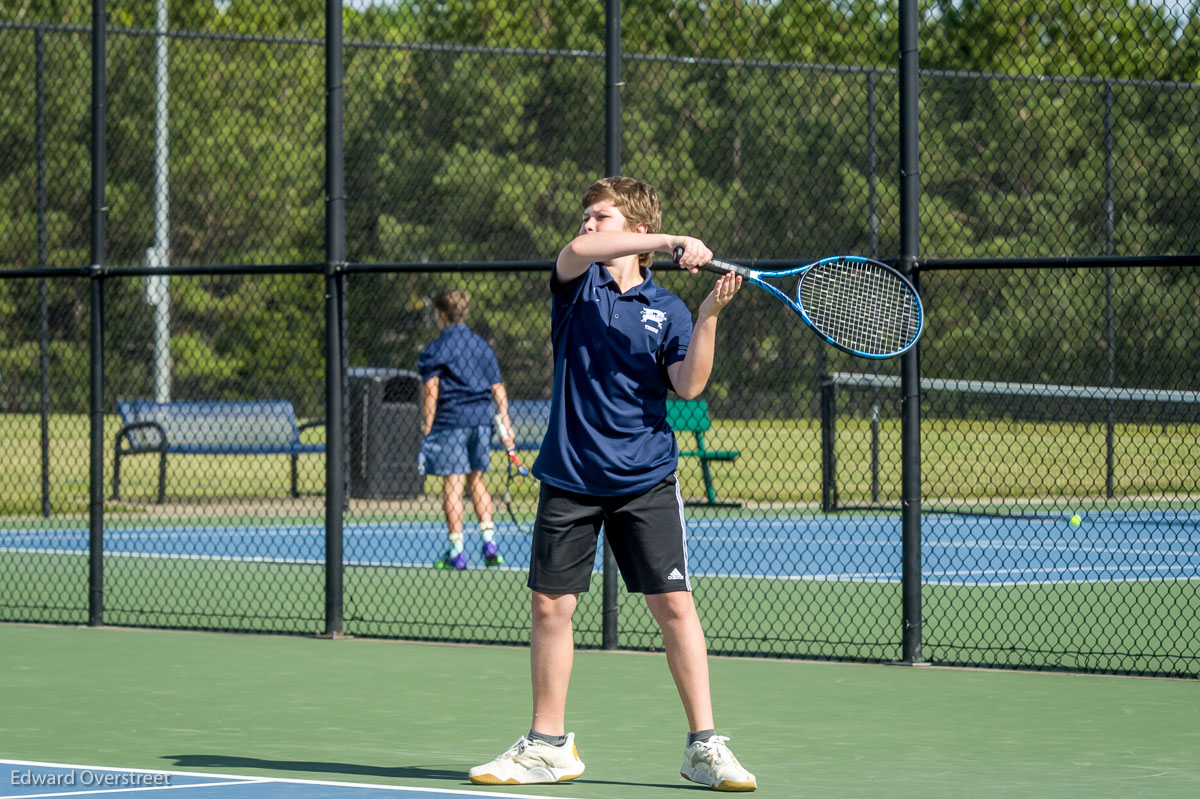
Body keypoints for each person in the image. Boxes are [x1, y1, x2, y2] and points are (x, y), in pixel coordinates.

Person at [468, 177, 756, 791]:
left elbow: (688, 385)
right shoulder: (575, 284)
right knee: (551, 605)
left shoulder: (669, 309)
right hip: (570, 473)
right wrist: (678, 237)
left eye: (600, 218)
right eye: (585, 216)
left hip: (645, 479)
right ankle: (548, 746)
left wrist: (707, 316)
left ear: (633, 229)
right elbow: (578, 254)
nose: (587, 226)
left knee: (673, 606)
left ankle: (704, 747)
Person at [418, 289, 515, 570]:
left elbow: (431, 388)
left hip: (451, 420)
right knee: (478, 481)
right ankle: (490, 545)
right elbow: (498, 388)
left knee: (454, 483)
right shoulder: (481, 345)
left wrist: (428, 425)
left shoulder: (437, 348)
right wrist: (505, 423)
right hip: (481, 421)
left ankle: (457, 552)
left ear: (442, 314)